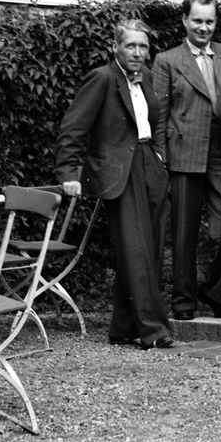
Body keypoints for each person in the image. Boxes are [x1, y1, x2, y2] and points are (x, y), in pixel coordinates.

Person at [55, 19, 174, 350]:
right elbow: (73, 128)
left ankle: (123, 327)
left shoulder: (148, 77)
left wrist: (160, 160)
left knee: (150, 249)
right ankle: (153, 330)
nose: (137, 52)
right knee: (135, 249)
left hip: (150, 164)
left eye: (143, 46)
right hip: (120, 171)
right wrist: (69, 173)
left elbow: (154, 122)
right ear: (115, 47)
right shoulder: (102, 78)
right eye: (130, 45)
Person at [152, 0, 221, 321]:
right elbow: (159, 114)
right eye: (197, 20)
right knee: (184, 231)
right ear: (184, 20)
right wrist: (160, 156)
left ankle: (215, 290)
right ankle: (184, 301)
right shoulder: (167, 60)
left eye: (209, 21)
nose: (203, 27)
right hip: (184, 151)